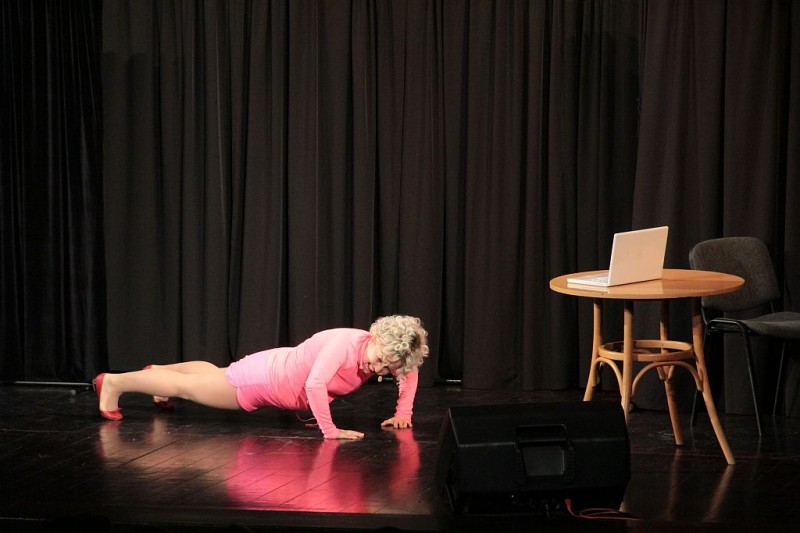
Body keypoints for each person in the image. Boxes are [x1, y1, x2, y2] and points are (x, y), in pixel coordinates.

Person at [93, 315, 429, 440]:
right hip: (262, 382)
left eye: (387, 367)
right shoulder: (344, 345)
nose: (378, 368)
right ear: (375, 336)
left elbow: (408, 373)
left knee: (214, 374)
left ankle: (158, 375)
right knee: (189, 389)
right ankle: (114, 383)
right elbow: (314, 384)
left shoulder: (387, 354)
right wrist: (330, 431)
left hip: (271, 368)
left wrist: (403, 412)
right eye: (378, 359)